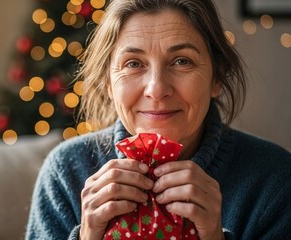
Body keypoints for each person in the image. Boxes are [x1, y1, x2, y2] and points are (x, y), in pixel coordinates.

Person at [25, 0, 291, 239]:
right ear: (108, 81)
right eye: (133, 63)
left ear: (217, 77)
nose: (156, 88)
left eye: (182, 61)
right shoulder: (66, 174)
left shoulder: (275, 181)